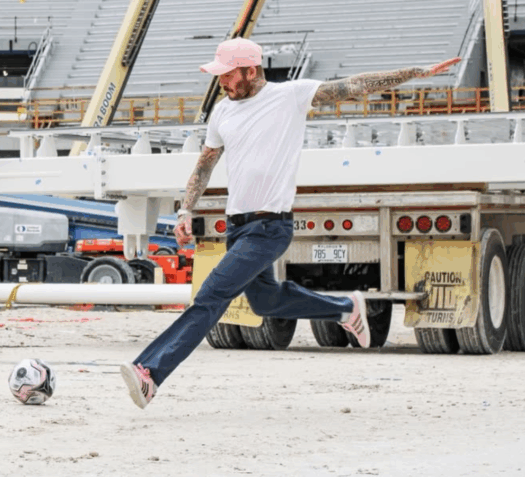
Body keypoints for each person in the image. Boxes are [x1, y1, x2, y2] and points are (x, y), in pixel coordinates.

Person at [120, 37, 461, 409]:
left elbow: (354, 86)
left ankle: (150, 372)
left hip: (270, 228)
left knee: (211, 296)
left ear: (251, 71)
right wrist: (186, 209)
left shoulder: (290, 96)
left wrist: (415, 73)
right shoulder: (222, 111)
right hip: (238, 228)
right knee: (266, 301)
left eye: (228, 75)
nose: (221, 82)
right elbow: (205, 163)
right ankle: (346, 308)